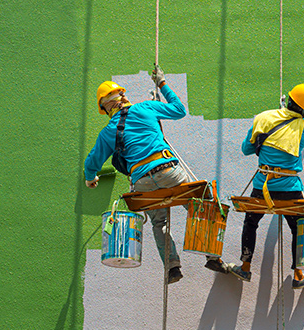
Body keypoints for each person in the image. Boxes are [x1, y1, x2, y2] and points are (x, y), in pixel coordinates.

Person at [84, 66, 229, 283]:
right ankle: (212, 256)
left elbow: (92, 161)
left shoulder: (108, 132)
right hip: (167, 170)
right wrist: (162, 82)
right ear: (123, 96)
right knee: (201, 206)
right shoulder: (146, 108)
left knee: (159, 222)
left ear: (105, 109)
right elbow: (179, 110)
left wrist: (90, 178)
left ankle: (172, 267)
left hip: (142, 182)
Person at [228, 83, 304, 289]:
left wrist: (276, 115)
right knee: (298, 228)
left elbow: (246, 149)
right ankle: (298, 274)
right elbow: (297, 136)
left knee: (251, 223)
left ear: (288, 99)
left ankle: (245, 266)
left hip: (263, 186)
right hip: (290, 188)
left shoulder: (263, 118)